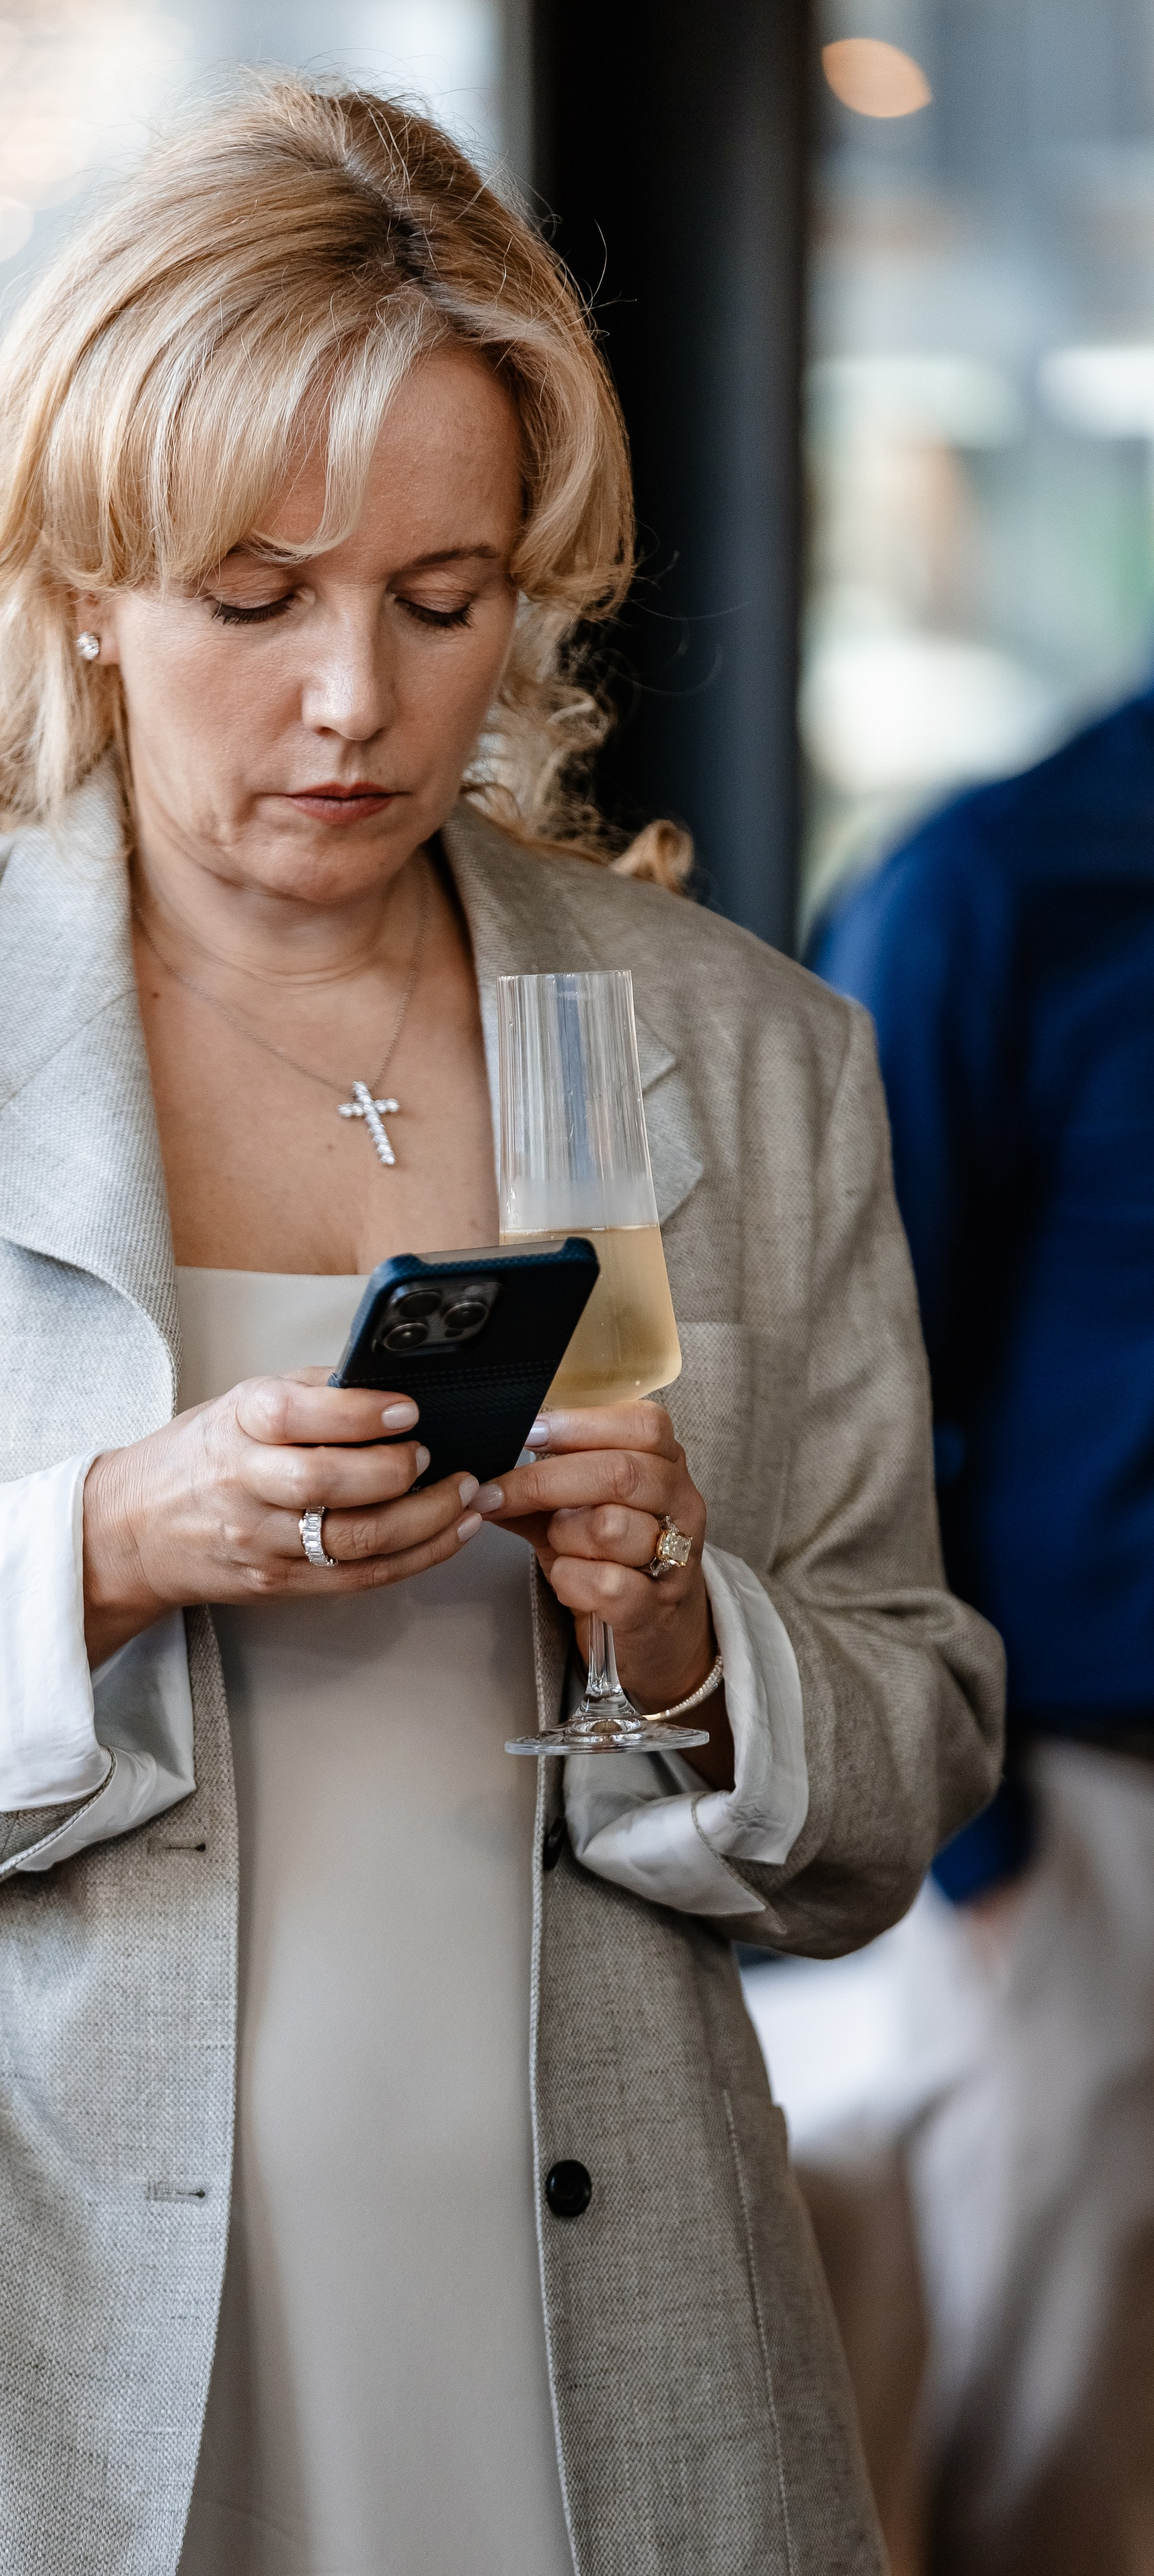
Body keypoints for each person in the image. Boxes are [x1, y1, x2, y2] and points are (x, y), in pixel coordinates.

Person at [0, 79, 1000, 2576]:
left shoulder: (737, 1049)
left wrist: (682, 1630)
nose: (355, 704)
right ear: (87, 579)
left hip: (602, 2359)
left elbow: (908, 1743)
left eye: (445, 601)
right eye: (254, 596)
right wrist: (100, 1541)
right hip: (18, 2363)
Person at [813, 686, 1154, 2575]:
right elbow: (851, 1395)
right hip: (1096, 1827)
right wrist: (983, 1842)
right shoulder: (995, 885)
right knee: (1052, 2463)